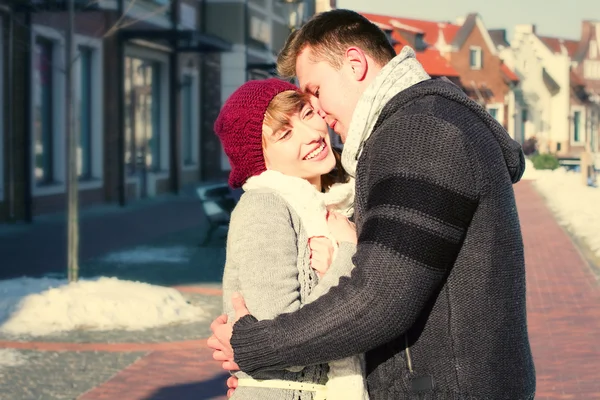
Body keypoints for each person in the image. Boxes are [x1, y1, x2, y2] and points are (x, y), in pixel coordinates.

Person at [209, 9, 536, 400]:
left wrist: (254, 347)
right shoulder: (413, 127)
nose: (321, 116)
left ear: (354, 63)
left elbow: (379, 299)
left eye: (314, 93)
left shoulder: (420, 132)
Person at [213, 78, 369, 400]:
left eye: (309, 114)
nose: (313, 134)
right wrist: (348, 255)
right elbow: (280, 345)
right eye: (285, 133)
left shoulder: (340, 200)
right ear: (260, 160)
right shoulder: (265, 207)